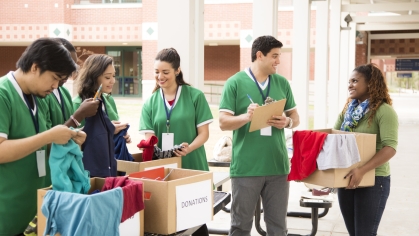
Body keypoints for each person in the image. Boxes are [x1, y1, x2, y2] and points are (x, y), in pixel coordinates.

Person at [0, 38, 86, 236]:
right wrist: (48, 136)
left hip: (35, 213)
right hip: (7, 214)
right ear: (35, 67)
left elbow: (36, 144)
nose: (56, 86)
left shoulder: (36, 95)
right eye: (55, 78)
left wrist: (68, 139)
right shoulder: (3, 94)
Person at [219, 35, 300, 235]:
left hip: (277, 167)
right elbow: (223, 122)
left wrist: (288, 122)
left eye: (279, 56)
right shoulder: (234, 83)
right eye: (274, 56)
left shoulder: (282, 83)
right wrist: (246, 117)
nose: (278, 61)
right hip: (247, 168)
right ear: (259, 55)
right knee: (240, 227)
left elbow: (295, 117)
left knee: (278, 228)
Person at [334, 63, 398, 236]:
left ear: (370, 83)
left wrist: (362, 170)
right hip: (347, 178)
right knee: (354, 233)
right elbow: (334, 137)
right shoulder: (348, 111)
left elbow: (390, 147)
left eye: (355, 81)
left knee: (364, 233)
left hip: (374, 180)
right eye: (349, 81)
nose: (350, 85)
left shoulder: (384, 111)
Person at [139, 48, 213, 171]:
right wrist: (152, 148)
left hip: (193, 164)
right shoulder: (149, 103)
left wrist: (189, 148)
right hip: (164, 167)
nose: (160, 76)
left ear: (177, 70)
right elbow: (150, 139)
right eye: (156, 72)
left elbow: (204, 134)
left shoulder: (195, 96)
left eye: (165, 72)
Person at [41, 38, 99, 128]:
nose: (70, 72)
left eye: (73, 67)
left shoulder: (64, 92)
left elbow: (71, 132)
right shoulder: (41, 94)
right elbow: (46, 139)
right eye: (67, 66)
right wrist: (80, 115)